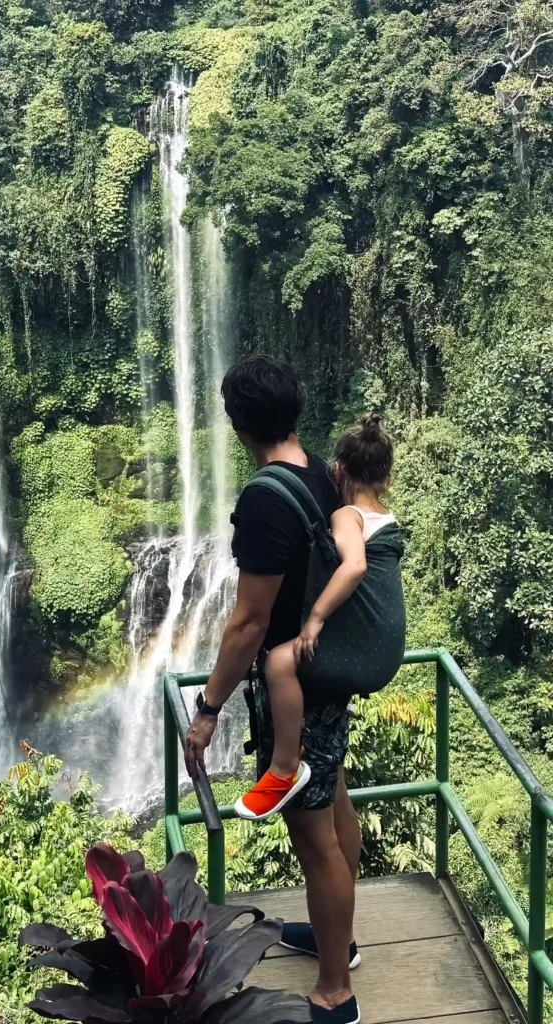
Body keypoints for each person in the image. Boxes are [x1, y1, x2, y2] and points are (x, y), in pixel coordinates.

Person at [184, 354, 361, 1024]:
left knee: (313, 838)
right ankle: (334, 936)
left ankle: (336, 991)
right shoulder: (318, 473)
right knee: (335, 800)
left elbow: (249, 620)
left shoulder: (264, 498)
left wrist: (207, 710)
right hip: (326, 675)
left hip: (296, 693)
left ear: (237, 424)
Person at [234, 412, 397, 821]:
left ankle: (285, 768)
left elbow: (355, 566)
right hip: (386, 648)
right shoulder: (385, 515)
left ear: (338, 471)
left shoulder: (347, 516)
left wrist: (315, 619)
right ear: (387, 478)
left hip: (367, 652)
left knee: (278, 660)